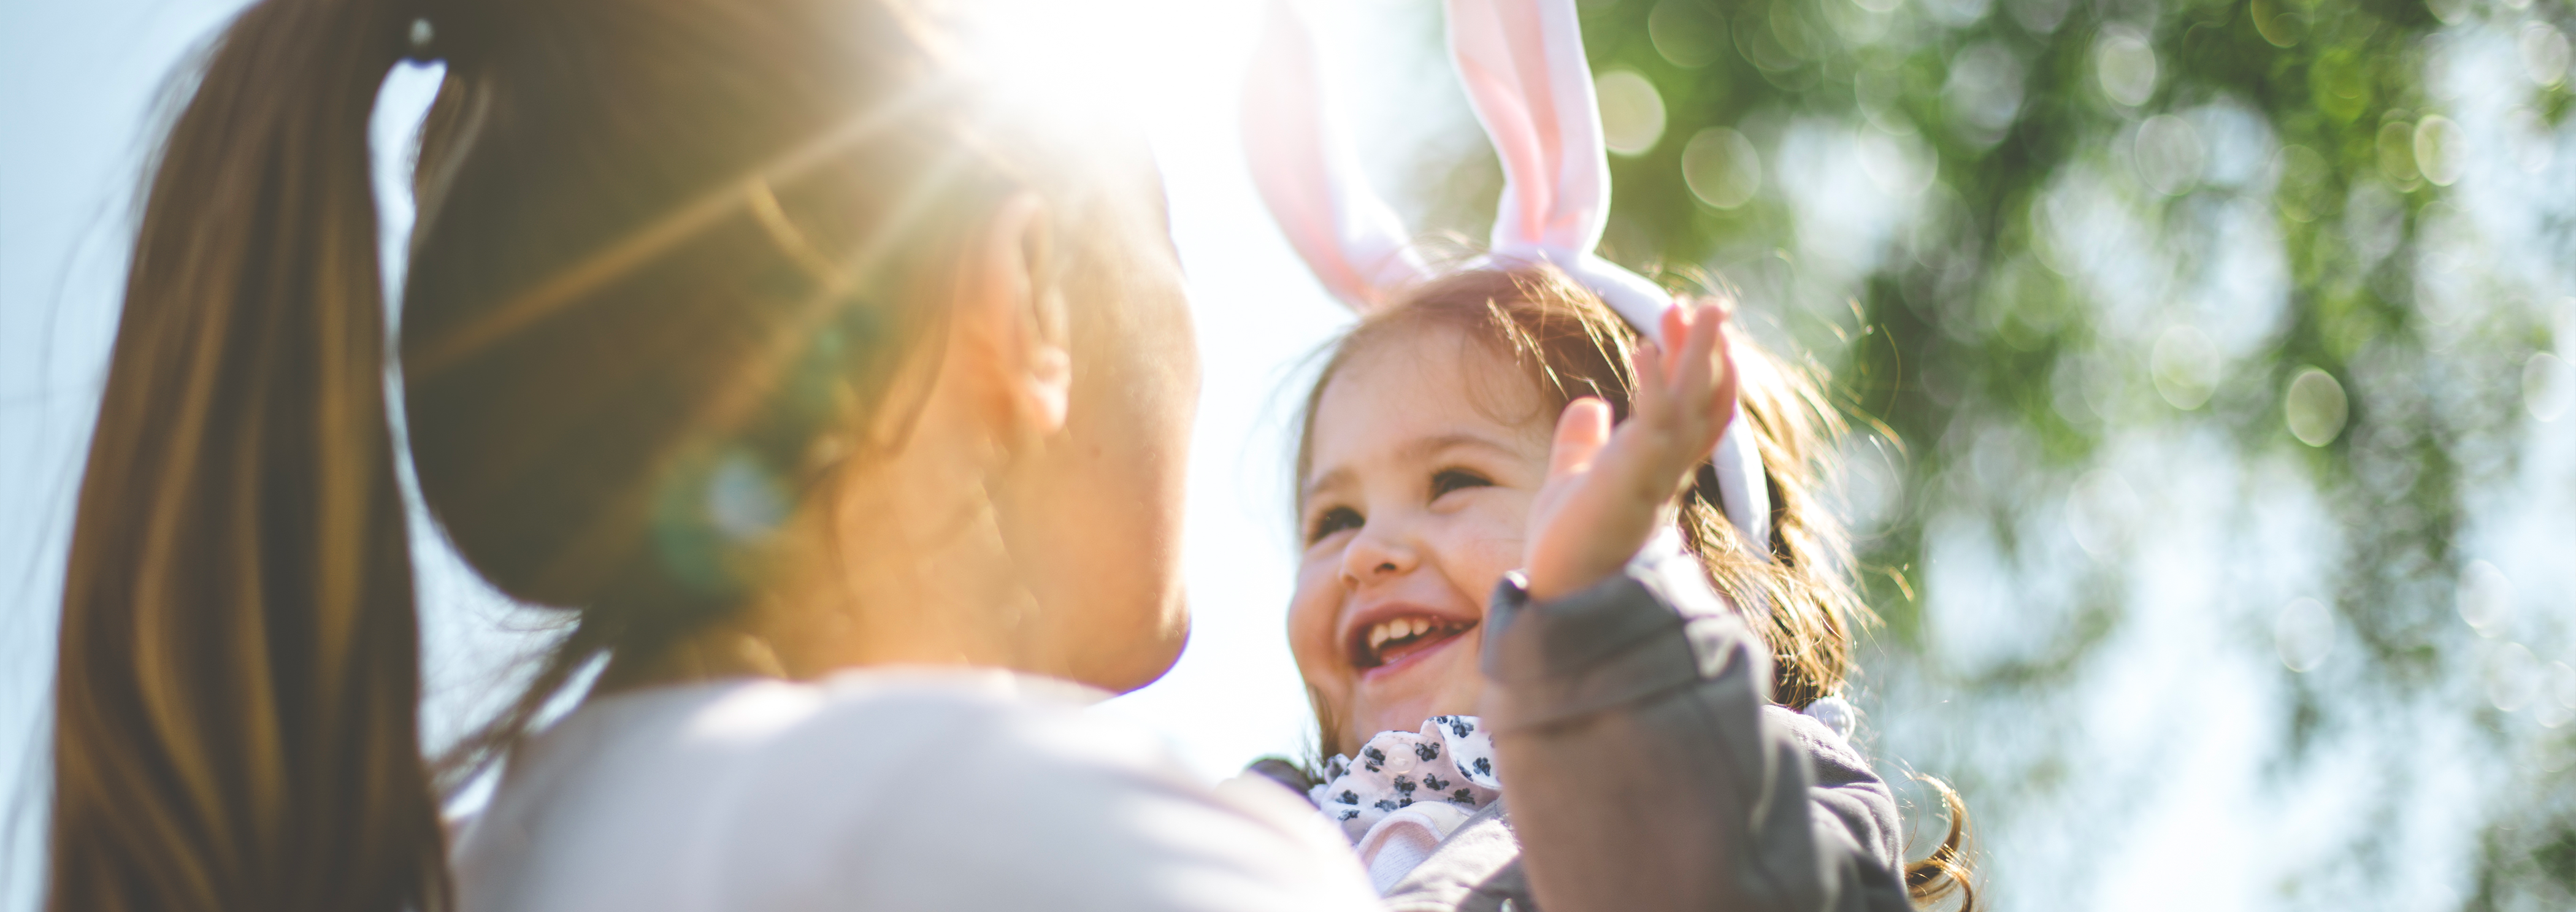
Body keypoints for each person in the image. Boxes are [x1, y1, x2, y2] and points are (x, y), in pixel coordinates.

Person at [1238, 1, 1974, 909]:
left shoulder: (1751, 788)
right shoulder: (1253, 833)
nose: (1366, 551)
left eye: (1453, 480)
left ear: (1688, 556)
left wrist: (1614, 625)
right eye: (1333, 517)